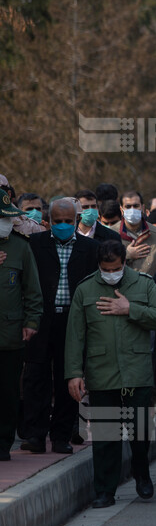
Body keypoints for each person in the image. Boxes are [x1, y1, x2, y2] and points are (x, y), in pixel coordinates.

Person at [65, 240, 156, 507]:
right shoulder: (85, 289)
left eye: (115, 267)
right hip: (102, 372)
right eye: (105, 268)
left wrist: (130, 309)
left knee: (139, 431)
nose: (111, 273)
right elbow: (75, 336)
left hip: (137, 370)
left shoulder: (144, 284)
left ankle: (142, 473)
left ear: (124, 262)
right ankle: (105, 491)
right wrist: (74, 373)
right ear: (99, 266)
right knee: (105, 435)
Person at [21, 198, 100, 454]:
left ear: (76, 221)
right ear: (49, 221)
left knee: (69, 379)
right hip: (41, 320)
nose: (63, 226)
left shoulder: (90, 248)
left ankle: (61, 435)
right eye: (58, 222)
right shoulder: (34, 244)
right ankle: (35, 435)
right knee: (36, 378)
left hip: (73, 321)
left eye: (69, 221)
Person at [0, 193, 42, 461]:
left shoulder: (20, 247)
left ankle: (3, 443)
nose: (5, 222)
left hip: (10, 334)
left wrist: (31, 322)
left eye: (7, 217)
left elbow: (33, 290)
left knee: (7, 392)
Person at [111, 190, 156, 276]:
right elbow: (102, 263)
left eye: (136, 206)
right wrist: (125, 254)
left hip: (149, 287)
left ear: (142, 207)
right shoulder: (112, 233)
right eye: (128, 206)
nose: (132, 210)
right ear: (121, 209)